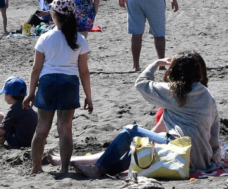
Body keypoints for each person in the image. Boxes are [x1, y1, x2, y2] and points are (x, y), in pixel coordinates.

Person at [48, 51, 210, 171]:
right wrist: (213, 156)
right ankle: (80, 163)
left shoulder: (171, 93)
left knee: (130, 132)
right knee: (137, 147)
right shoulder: (207, 97)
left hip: (182, 154)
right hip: (201, 159)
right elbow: (214, 134)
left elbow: (141, 83)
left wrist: (155, 64)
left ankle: (96, 169)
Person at [24, 0, 93, 175]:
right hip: (69, 83)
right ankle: (63, 168)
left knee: (42, 128)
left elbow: (35, 69)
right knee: (65, 128)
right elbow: (84, 71)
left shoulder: (45, 38)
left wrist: (31, 92)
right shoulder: (80, 40)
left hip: (47, 82)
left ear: (53, 15)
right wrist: (89, 96)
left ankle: (36, 167)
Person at [0, 77, 37, 151]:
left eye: (4, 93)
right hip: (33, 142)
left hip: (19, 144)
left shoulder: (12, 110)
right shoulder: (27, 107)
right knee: (10, 122)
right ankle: (0, 140)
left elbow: (1, 131)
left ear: (9, 96)